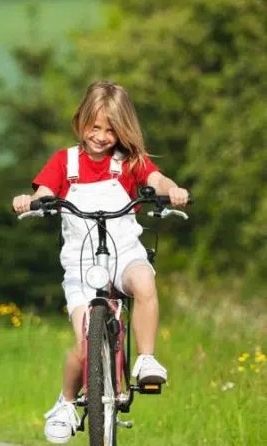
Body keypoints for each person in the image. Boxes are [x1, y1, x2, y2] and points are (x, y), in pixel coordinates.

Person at [11, 81, 190, 444]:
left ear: (122, 131)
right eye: (94, 126)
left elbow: (155, 178)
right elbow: (45, 190)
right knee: (83, 343)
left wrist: (171, 190)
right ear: (81, 122)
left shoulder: (128, 163)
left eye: (111, 130)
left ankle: (147, 360)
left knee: (144, 282)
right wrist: (33, 200)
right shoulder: (65, 162)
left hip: (124, 254)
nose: (101, 136)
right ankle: (65, 402)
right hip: (81, 267)